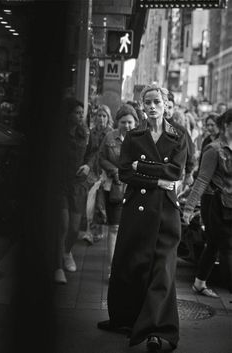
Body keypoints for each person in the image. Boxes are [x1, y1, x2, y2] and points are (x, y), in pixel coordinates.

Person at [98, 84, 187, 352]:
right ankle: (126, 319)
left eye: (157, 101)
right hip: (137, 207)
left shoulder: (178, 135)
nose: (151, 106)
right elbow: (125, 172)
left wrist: (144, 168)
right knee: (131, 264)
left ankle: (158, 331)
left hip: (166, 213)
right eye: (147, 102)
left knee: (162, 271)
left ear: (165, 103)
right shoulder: (134, 135)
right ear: (141, 105)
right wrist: (157, 180)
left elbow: (175, 171)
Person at [183, 109, 232, 296]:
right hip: (215, 205)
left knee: (213, 244)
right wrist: (188, 208)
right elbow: (202, 180)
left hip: (229, 203)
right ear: (226, 126)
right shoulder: (214, 150)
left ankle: (199, 283)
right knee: (227, 247)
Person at [99, 104, 139, 277]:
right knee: (114, 228)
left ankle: (128, 266)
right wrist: (114, 170)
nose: (127, 126)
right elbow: (101, 158)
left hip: (135, 189)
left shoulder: (141, 139)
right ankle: (112, 268)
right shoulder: (109, 137)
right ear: (117, 122)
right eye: (123, 122)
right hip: (114, 188)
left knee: (131, 229)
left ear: (135, 122)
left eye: (130, 122)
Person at [54, 99, 89, 284]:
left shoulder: (85, 133)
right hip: (60, 184)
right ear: (68, 114)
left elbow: (93, 154)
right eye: (76, 112)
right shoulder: (57, 135)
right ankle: (57, 266)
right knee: (63, 225)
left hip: (78, 185)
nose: (80, 115)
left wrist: (88, 166)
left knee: (75, 228)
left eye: (81, 112)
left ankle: (67, 253)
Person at [81, 104, 114, 245]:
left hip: (103, 170)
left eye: (104, 116)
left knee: (98, 202)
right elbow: (88, 151)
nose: (101, 118)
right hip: (91, 168)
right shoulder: (92, 132)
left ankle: (95, 231)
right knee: (90, 200)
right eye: (99, 115)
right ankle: (91, 231)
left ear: (108, 118)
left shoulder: (111, 133)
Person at [167, 92, 195, 190]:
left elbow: (190, 151)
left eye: (169, 107)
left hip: (174, 176)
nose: (167, 110)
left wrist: (188, 173)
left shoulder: (180, 130)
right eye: (165, 106)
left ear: (174, 108)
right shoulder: (151, 127)